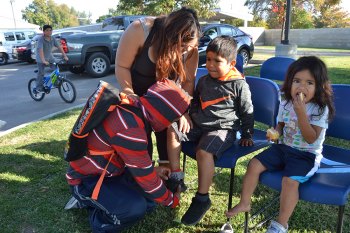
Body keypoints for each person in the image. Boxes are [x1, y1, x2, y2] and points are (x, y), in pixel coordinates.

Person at [64, 79, 191, 232]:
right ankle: (96, 215)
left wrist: (153, 171)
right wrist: (172, 201)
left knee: (149, 202)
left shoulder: (133, 107)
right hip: (87, 180)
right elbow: (146, 180)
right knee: (134, 209)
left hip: (109, 173)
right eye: (173, 119)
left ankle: (102, 201)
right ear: (163, 115)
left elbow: (137, 165)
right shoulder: (130, 129)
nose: (169, 125)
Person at [225, 56, 335, 233]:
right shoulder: (286, 103)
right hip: (283, 148)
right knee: (253, 164)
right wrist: (275, 133)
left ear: (319, 86)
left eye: (309, 83)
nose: (301, 87)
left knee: (289, 181)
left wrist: (301, 114)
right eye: (297, 81)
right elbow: (281, 126)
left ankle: (281, 224)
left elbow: (311, 138)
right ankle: (245, 203)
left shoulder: (320, 109)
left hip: (306, 154)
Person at [167, 36, 254, 226]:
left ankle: (202, 198)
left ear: (231, 63)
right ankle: (175, 178)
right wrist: (189, 115)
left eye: (217, 61)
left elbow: (247, 112)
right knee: (173, 129)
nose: (211, 65)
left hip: (222, 129)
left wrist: (247, 135)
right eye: (208, 59)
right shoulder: (204, 80)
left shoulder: (239, 84)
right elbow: (196, 100)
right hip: (199, 125)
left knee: (203, 152)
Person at [115, 7, 200, 164]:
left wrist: (183, 111)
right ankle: (145, 176)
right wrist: (129, 93)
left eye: (185, 48)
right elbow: (122, 66)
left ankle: (169, 178)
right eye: (177, 45)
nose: (180, 52)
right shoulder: (140, 30)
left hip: (166, 103)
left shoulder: (191, 49)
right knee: (141, 143)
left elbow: (188, 82)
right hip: (137, 98)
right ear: (168, 33)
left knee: (167, 142)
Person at [35, 24, 68, 92]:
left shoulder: (52, 38)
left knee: (55, 70)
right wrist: (43, 60)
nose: (49, 32)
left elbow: (59, 47)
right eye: (47, 30)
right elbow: (40, 50)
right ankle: (38, 88)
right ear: (43, 32)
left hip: (49, 57)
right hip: (41, 58)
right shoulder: (41, 39)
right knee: (41, 73)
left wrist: (64, 56)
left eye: (50, 30)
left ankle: (55, 83)